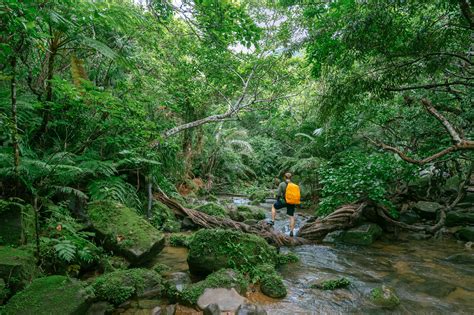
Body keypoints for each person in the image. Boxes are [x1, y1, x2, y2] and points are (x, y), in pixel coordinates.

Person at [270, 172, 300, 237]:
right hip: (291, 202)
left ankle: (272, 220)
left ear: (284, 177)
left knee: (273, 206)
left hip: (284, 201)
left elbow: (278, 194)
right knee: (291, 216)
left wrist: (277, 200)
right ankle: (291, 231)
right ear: (291, 178)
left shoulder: (282, 184)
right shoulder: (294, 185)